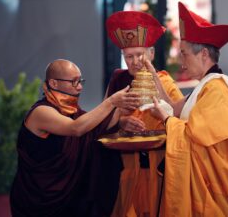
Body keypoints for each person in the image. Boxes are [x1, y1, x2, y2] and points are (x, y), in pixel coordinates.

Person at [149, 2, 228, 216]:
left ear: (203, 54)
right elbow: (174, 110)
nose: (182, 63)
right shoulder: (204, 87)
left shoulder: (218, 89)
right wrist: (152, 74)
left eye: (184, 54)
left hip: (216, 194)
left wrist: (165, 121)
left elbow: (194, 138)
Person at [10, 59, 140, 217]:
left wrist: (120, 120)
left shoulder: (73, 111)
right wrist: (111, 102)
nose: (79, 87)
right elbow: (76, 128)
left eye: (80, 81)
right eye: (74, 82)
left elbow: (94, 129)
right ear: (54, 83)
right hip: (38, 198)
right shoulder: (41, 112)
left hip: (70, 196)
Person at [105, 11, 184, 217]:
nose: (135, 61)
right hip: (127, 170)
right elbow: (102, 120)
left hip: (157, 168)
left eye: (140, 54)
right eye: (129, 56)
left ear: (151, 54)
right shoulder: (118, 82)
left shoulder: (165, 82)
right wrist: (121, 122)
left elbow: (180, 119)